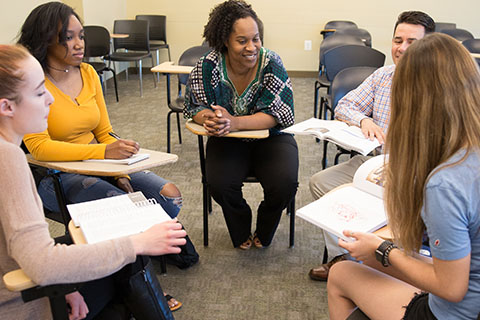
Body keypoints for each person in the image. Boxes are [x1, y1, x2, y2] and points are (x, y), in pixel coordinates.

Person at [0, 44, 187, 320]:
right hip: (19, 304)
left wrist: (67, 284)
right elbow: (41, 263)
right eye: (40, 92)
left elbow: (22, 250)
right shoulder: (8, 159)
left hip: (26, 280)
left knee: (124, 264)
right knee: (129, 255)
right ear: (6, 106)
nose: (50, 99)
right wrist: (135, 243)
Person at [327, 33, 480, 320]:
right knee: (372, 263)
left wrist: (383, 249)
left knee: (341, 272)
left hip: (455, 311)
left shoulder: (444, 183)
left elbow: (451, 287)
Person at [19, 2, 183, 221]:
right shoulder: (31, 81)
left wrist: (119, 173)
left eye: (82, 36)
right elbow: (39, 148)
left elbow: (104, 132)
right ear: (45, 39)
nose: (79, 45)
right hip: (55, 175)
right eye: (69, 38)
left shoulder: (88, 73)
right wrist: (104, 153)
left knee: (170, 199)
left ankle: (139, 247)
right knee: (125, 210)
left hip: (98, 164)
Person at [308, 11, 435, 281]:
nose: (402, 49)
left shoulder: (439, 86)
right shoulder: (383, 76)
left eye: (412, 42)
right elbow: (344, 105)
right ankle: (345, 256)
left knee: (398, 205)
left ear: (429, 46)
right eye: (397, 40)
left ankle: (389, 258)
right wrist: (364, 120)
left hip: (417, 172)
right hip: (373, 163)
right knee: (321, 182)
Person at [184, 0, 298, 249]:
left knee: (285, 184)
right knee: (220, 185)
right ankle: (241, 227)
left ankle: (266, 227)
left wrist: (234, 122)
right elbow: (194, 107)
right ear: (225, 40)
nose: (252, 47)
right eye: (242, 40)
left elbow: (279, 114)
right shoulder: (207, 65)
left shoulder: (271, 63)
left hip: (272, 138)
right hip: (227, 140)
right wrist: (211, 118)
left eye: (255, 39)